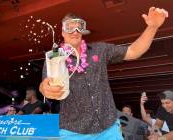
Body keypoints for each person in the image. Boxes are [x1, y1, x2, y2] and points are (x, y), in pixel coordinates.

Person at [39, 7, 168, 139]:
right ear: (63, 31)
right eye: (69, 27)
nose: (75, 31)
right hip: (73, 131)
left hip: (109, 128)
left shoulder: (99, 50)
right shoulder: (54, 57)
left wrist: (152, 27)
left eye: (79, 27)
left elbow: (133, 51)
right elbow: (45, 84)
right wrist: (45, 88)